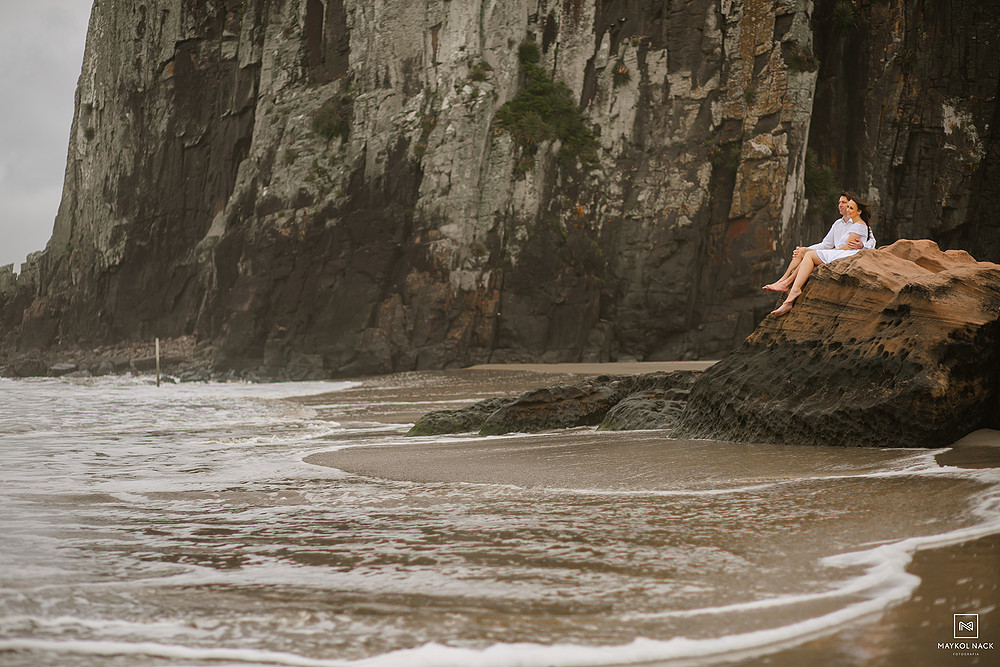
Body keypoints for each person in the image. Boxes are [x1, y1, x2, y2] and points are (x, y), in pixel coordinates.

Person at [770, 195, 872, 316]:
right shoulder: (839, 223)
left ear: (859, 211)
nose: (845, 208)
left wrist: (862, 245)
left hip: (845, 254)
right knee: (803, 253)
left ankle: (791, 288)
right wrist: (804, 249)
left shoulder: (859, 224)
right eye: (844, 205)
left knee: (809, 256)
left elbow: (866, 242)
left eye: (849, 206)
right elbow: (826, 244)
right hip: (841, 251)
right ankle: (784, 284)